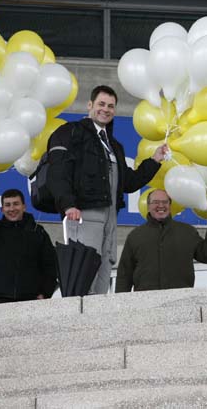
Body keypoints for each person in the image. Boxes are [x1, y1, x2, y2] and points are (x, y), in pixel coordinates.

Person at [46, 85, 168, 294]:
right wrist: (67, 205)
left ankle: (97, 321)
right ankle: (80, 321)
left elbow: (128, 182)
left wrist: (155, 160)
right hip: (84, 215)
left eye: (111, 106)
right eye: (101, 104)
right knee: (83, 271)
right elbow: (57, 172)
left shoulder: (114, 146)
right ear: (90, 105)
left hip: (110, 218)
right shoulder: (70, 132)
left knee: (104, 270)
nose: (106, 109)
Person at [115, 189, 207, 292]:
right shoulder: (135, 236)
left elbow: (206, 256)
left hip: (181, 301)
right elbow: (124, 275)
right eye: (155, 202)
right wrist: (120, 305)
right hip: (145, 303)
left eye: (165, 202)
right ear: (148, 206)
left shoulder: (187, 231)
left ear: (170, 206)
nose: (161, 205)